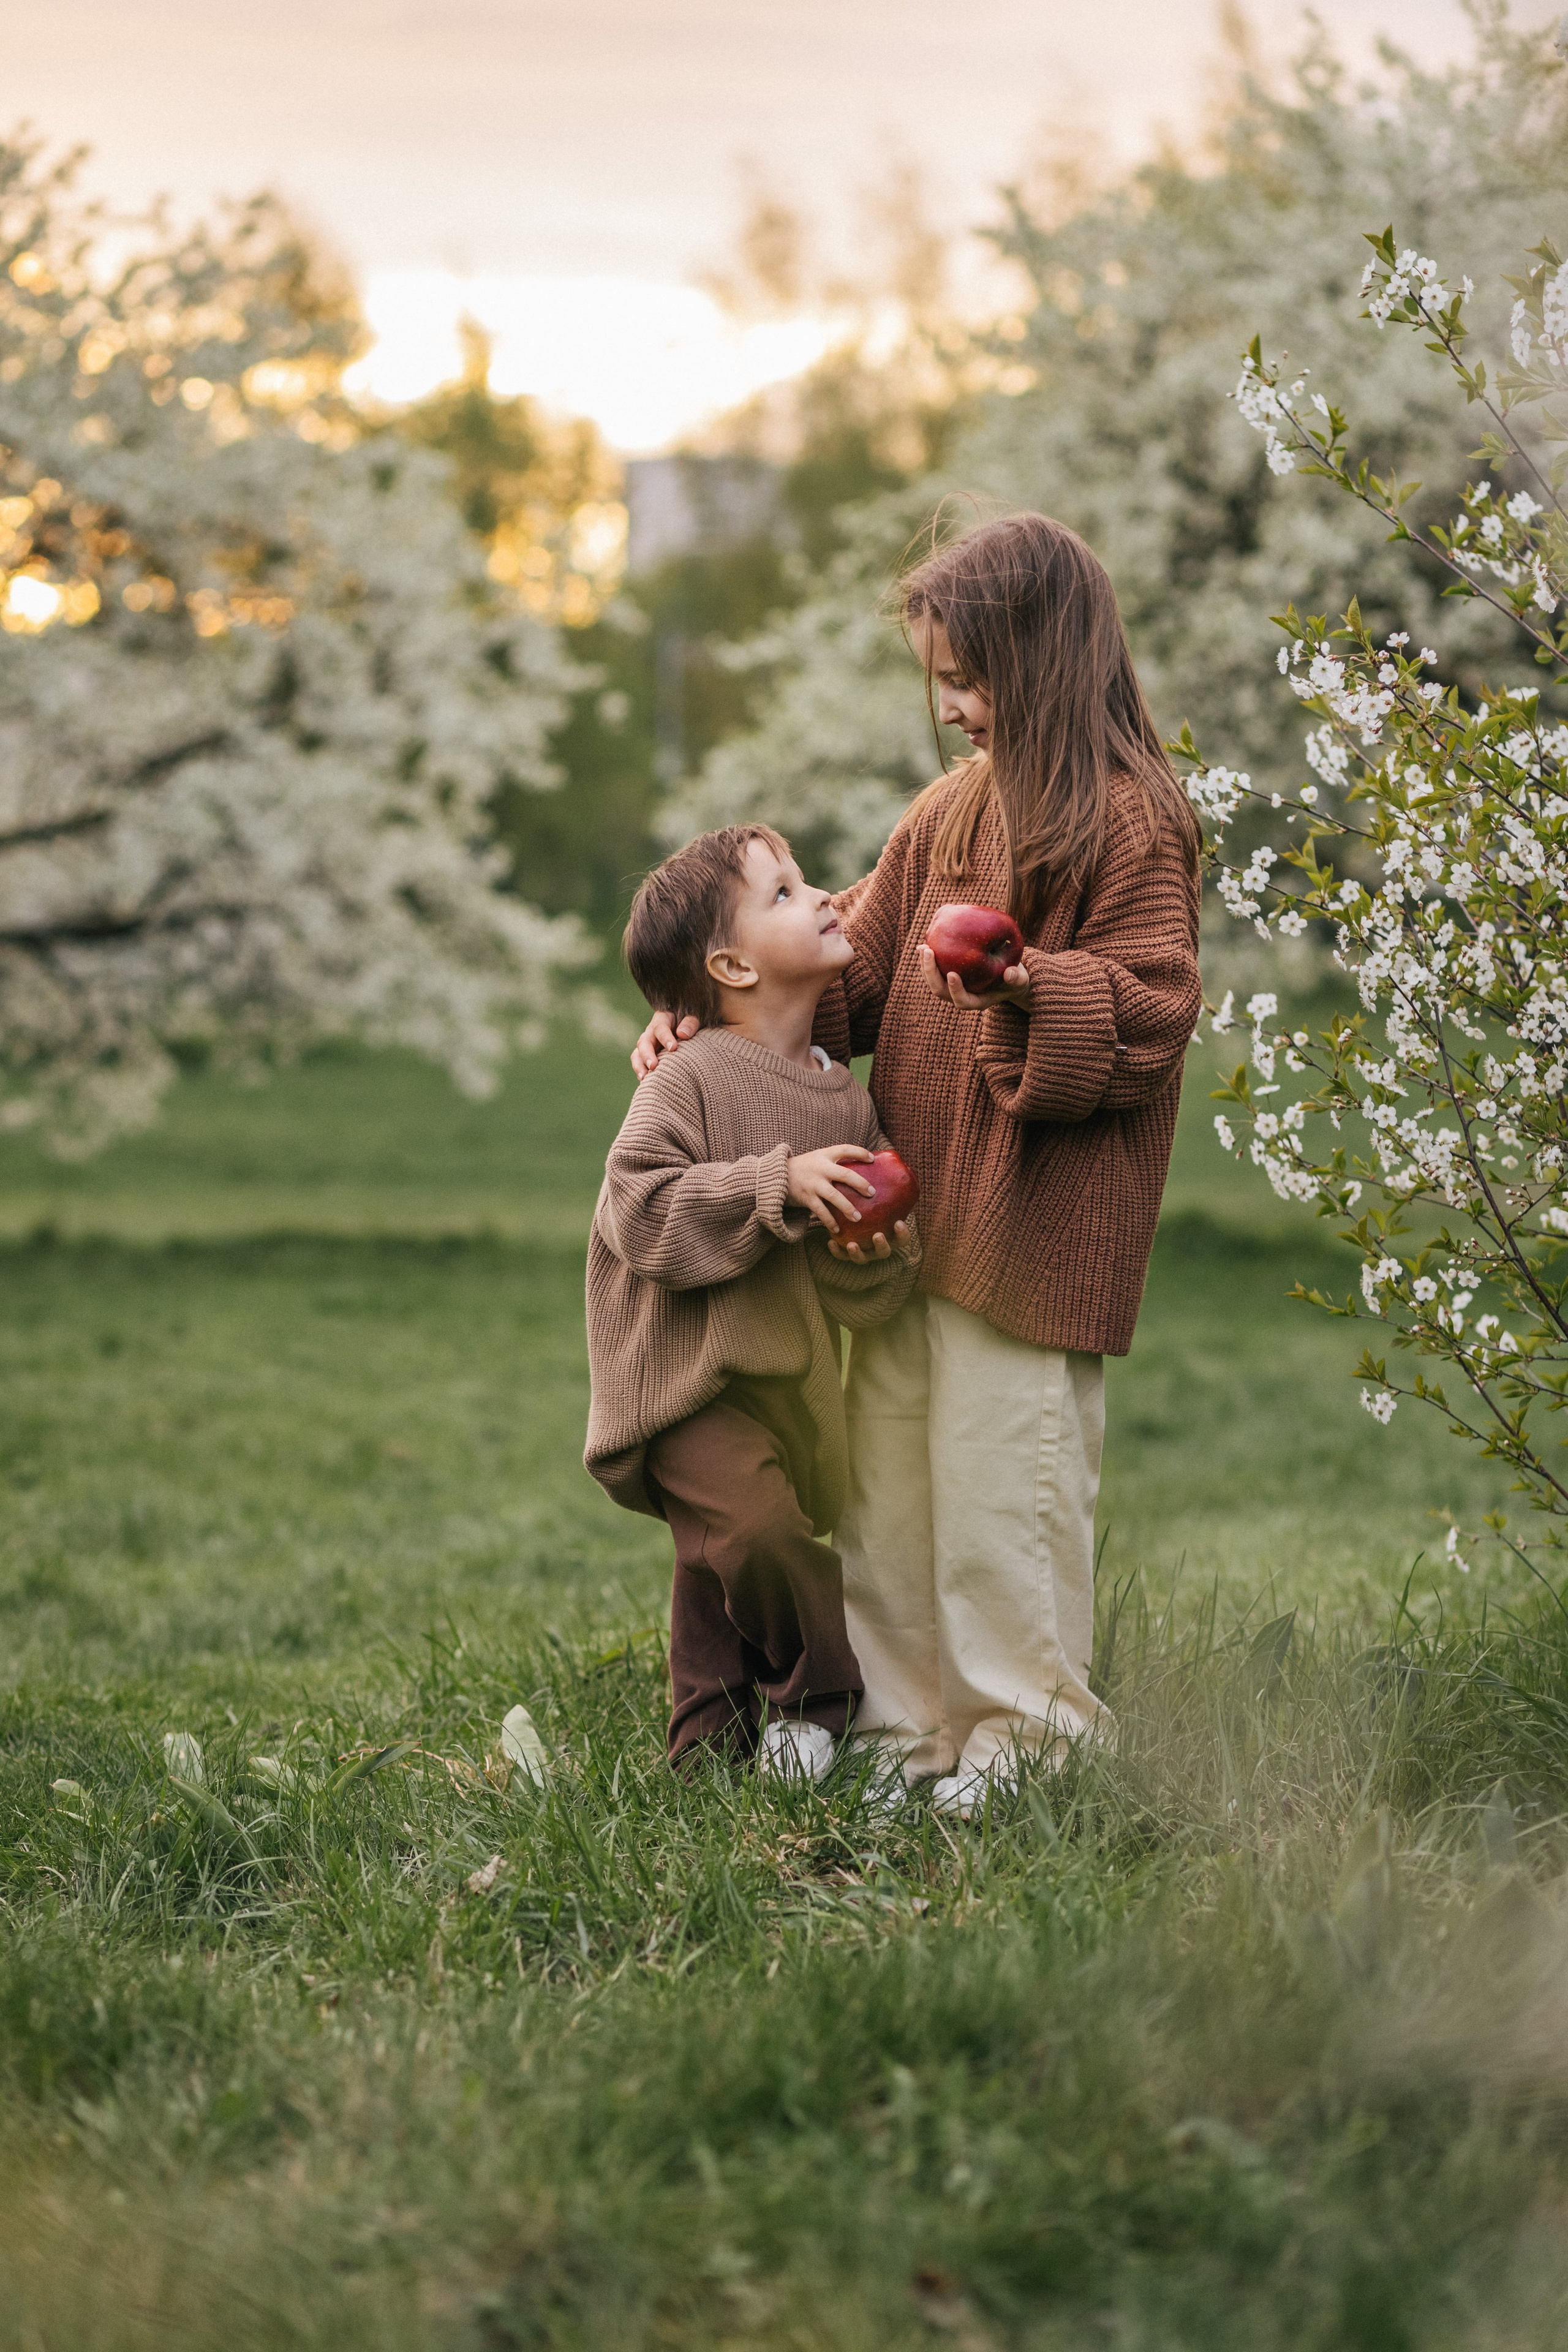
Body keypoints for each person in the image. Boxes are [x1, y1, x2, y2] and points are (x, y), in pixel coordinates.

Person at [630, 513, 1201, 1814]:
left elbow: (1150, 1011)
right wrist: (705, 1017)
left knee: (1006, 1490)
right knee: (885, 1486)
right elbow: (851, 977)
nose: (946, 709)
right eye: (934, 680)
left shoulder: (1131, 824)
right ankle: (902, 1731)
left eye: (966, 677)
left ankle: (1021, 1734)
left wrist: (1022, 982)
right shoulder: (941, 816)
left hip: (1039, 1227)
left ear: (1043, 662)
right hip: (901, 1234)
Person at [587, 822, 918, 1778]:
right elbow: (640, 1211)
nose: (821, 898)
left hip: (785, 1372)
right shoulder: (685, 1078)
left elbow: (853, 1289)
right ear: (730, 965)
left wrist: (876, 1254)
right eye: (784, 893)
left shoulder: (844, 1100)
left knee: (716, 1560)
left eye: (807, 882)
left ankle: (704, 1750)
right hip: (685, 1381)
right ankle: (819, 1702)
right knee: (761, 1535)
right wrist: (775, 1186)